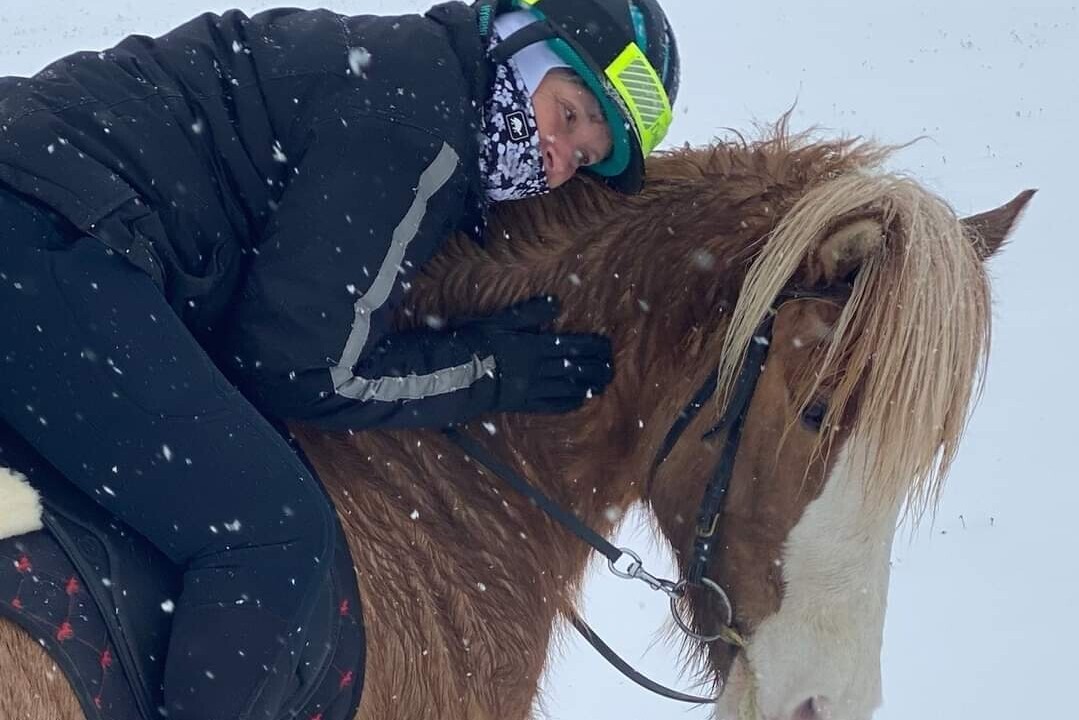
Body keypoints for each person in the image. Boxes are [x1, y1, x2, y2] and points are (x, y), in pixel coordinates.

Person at [0, 0, 680, 717]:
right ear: (518, 46)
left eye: (581, 157)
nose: (555, 155)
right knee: (275, 532)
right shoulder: (424, 127)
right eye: (567, 114)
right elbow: (301, 365)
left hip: (45, 212)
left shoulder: (400, 69)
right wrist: (489, 371)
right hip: (45, 241)